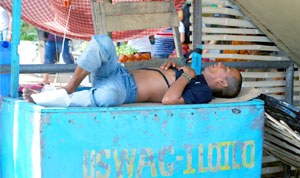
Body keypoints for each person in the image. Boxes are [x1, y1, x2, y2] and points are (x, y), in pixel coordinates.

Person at [23, 35, 242, 107]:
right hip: (119, 72)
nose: (221, 64)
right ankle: (70, 88)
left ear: (222, 83)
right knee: (103, 41)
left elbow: (169, 99)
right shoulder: (193, 76)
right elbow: (173, 82)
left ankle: (50, 99)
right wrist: (173, 69)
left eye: (227, 69)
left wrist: (185, 76)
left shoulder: (204, 92)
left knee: (109, 96)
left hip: (123, 90)